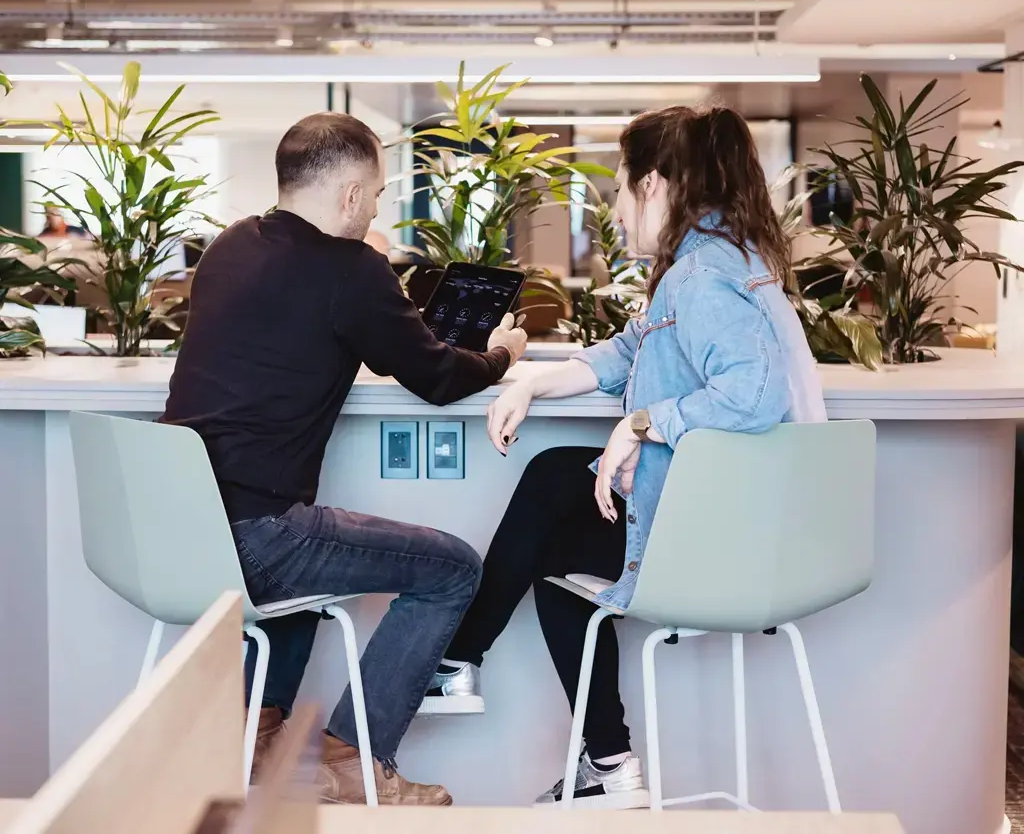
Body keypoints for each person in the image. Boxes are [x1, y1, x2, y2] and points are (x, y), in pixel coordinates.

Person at [421, 105, 827, 808]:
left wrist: (642, 422)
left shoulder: (701, 276)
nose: (613, 205)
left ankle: (466, 663)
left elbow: (753, 394)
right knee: (555, 519)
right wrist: (533, 380)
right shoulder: (717, 261)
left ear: (656, 185)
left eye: (619, 185)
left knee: (551, 494)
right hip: (758, 527)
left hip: (736, 545)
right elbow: (632, 347)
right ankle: (600, 759)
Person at [160, 111, 527, 806]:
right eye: (379, 194)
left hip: (185, 526)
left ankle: (265, 751)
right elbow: (441, 378)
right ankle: (359, 761)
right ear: (353, 196)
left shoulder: (229, 246)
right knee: (453, 567)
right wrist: (504, 352)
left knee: (302, 566)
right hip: (259, 536)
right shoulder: (352, 270)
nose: (378, 207)